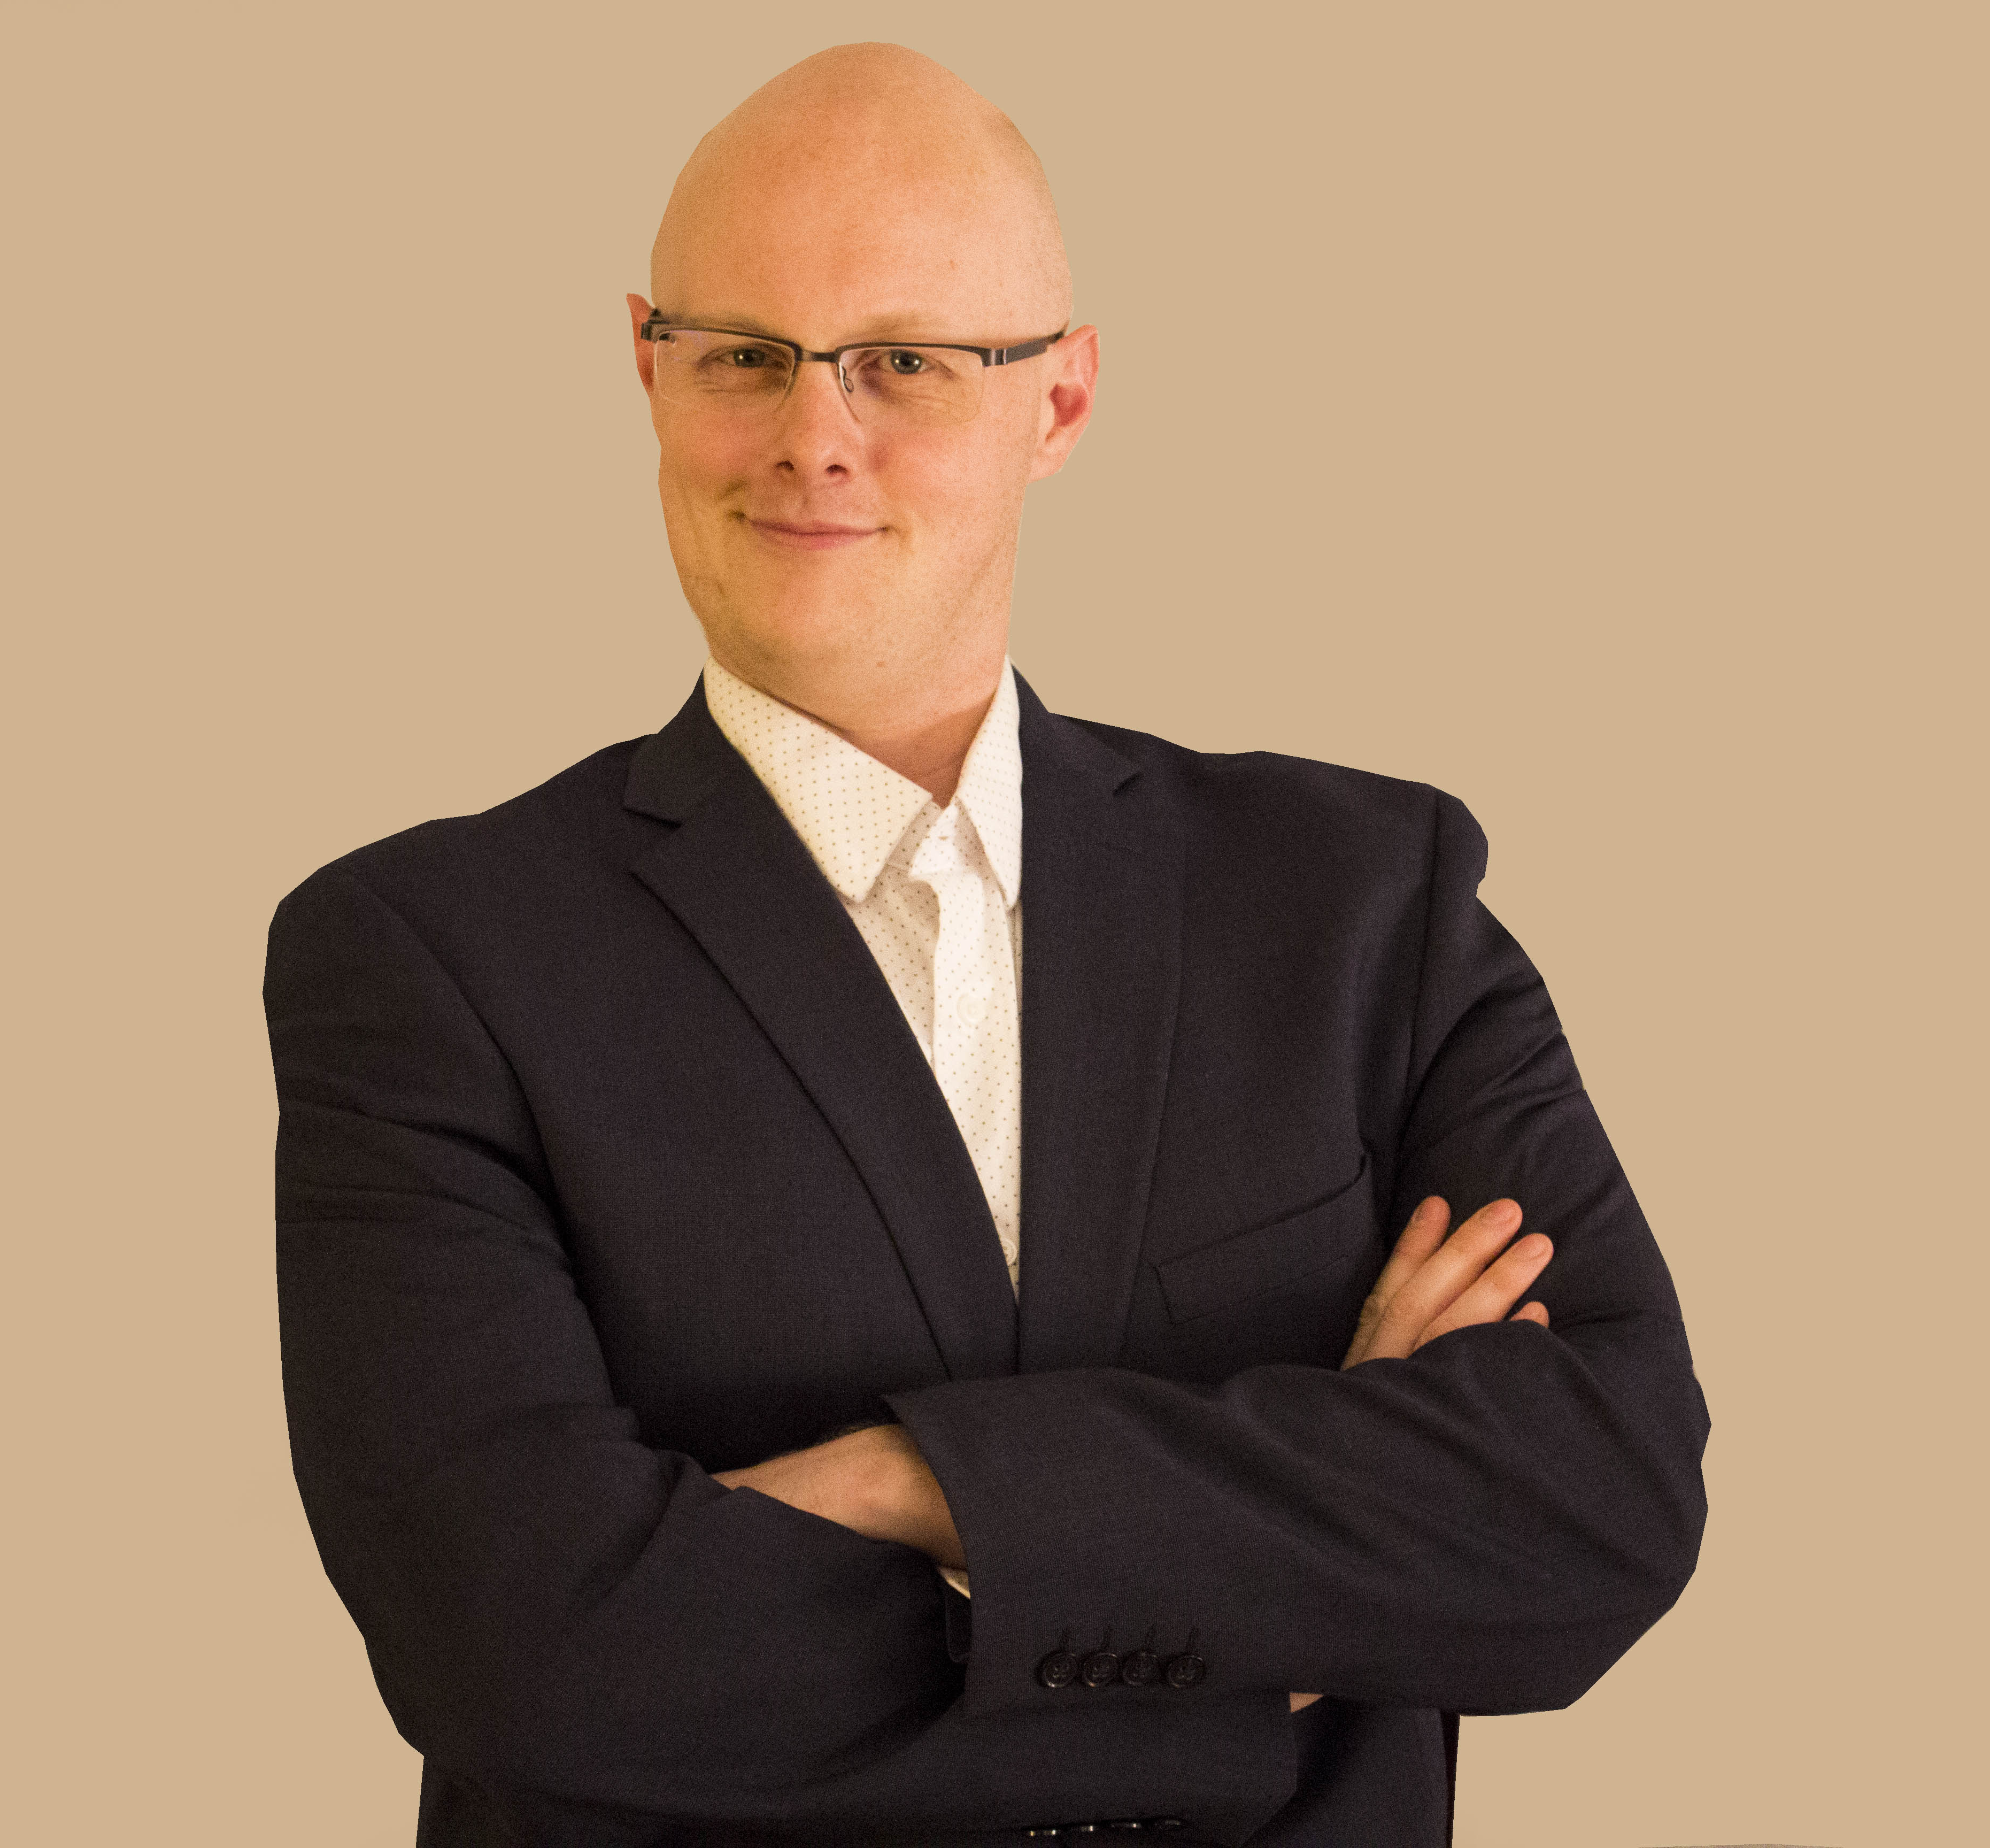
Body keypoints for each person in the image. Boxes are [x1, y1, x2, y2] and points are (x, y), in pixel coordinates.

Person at [264, 42, 1707, 1848]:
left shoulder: (1362, 903)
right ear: (646, 365)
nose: (813, 434)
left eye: (907, 362)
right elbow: (527, 1649)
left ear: (1063, 399)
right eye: (742, 355)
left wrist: (906, 1483)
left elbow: (1601, 1506)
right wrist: (1268, 1610)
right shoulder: (422, 961)